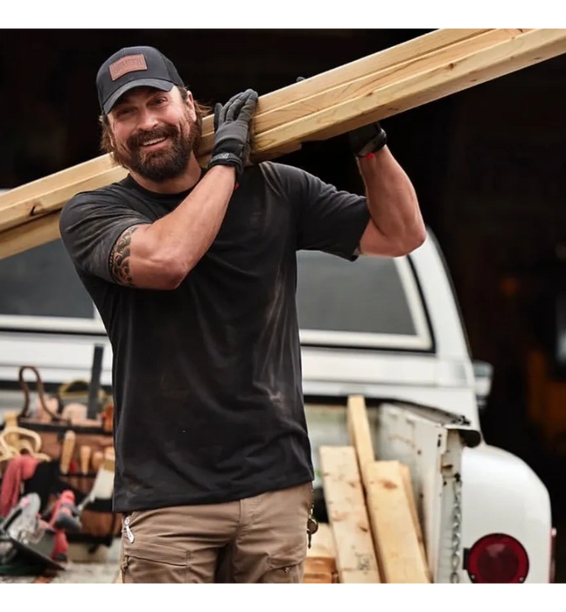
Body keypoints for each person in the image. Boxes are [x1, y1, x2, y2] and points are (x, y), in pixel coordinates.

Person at [58, 45, 426, 587]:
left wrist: (368, 142)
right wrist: (228, 161)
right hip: (170, 504)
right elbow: (168, 259)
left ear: (189, 105)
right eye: (125, 113)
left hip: (274, 491)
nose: (146, 123)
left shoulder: (277, 189)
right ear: (109, 133)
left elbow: (400, 234)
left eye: (157, 102)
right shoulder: (95, 213)